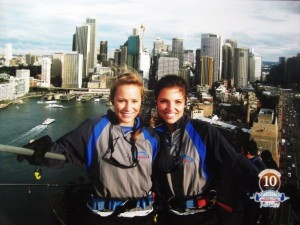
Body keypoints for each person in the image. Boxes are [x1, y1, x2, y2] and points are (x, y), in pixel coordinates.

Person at [18, 70, 160, 225]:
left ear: (141, 101)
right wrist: (39, 151)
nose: (128, 107)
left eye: (134, 101)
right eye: (122, 100)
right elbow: (64, 151)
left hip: (142, 216)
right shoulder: (94, 127)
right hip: (103, 216)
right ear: (112, 99)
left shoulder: (151, 136)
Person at [152, 75, 260, 225]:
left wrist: (265, 183)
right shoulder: (152, 136)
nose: (171, 108)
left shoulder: (203, 131)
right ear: (156, 102)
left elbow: (235, 162)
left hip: (202, 216)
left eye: (177, 102)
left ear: (185, 103)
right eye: (164, 101)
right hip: (167, 216)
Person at [242, 139, 267, 225]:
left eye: (242, 151)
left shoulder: (256, 167)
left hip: (252, 204)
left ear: (248, 152)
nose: (241, 153)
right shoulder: (255, 161)